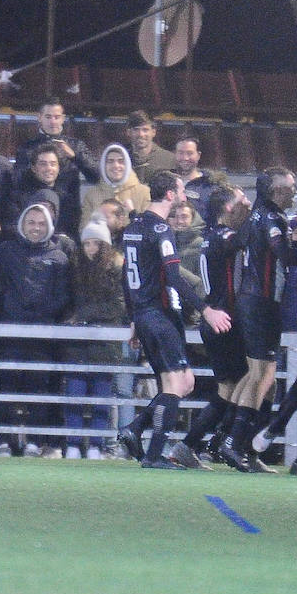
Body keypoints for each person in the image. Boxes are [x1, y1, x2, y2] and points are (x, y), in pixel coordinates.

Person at [115, 171, 232, 469]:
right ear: (170, 194)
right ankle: (154, 455)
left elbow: (127, 277)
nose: (183, 196)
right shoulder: (159, 229)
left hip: (144, 315)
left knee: (184, 382)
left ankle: (135, 429)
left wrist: (133, 319)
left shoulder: (134, 226)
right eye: (180, 190)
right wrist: (206, 310)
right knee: (173, 384)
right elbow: (174, 276)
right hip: (159, 314)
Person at [0, 199, 73, 457]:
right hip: (10, 331)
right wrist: (12, 307)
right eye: (31, 222)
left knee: (38, 388)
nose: (36, 227)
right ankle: (6, 441)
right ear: (22, 223)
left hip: (43, 335)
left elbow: (63, 296)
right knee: (8, 386)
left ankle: (34, 440)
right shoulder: (6, 250)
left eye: (41, 223)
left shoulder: (59, 257)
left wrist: (41, 313)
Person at [170, 186, 250, 470]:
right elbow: (242, 239)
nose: (246, 205)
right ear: (229, 208)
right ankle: (198, 444)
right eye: (241, 201)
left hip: (215, 317)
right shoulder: (224, 236)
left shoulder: (208, 237)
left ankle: (213, 443)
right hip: (223, 318)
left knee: (236, 385)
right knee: (238, 387)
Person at [220, 167, 295, 473]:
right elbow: (285, 255)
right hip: (262, 303)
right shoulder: (273, 218)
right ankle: (234, 443)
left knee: (268, 382)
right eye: (290, 187)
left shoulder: (253, 217)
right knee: (261, 376)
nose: (294, 192)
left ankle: (247, 449)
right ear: (276, 191)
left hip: (252, 301)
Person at [61, 217, 127, 461]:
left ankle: (97, 445)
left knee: (101, 396)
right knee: (75, 394)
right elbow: (67, 298)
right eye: (86, 243)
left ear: (105, 245)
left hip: (105, 342)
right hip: (78, 342)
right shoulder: (74, 267)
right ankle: (74, 443)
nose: (90, 248)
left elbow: (118, 306)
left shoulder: (116, 269)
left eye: (96, 243)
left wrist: (83, 315)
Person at [80, 144, 150, 229]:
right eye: (110, 161)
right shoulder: (92, 195)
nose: (116, 166)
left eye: (121, 161)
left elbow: (148, 229)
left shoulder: (144, 192)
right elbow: (85, 230)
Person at [125, 110, 176, 185]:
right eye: (136, 129)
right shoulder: (121, 160)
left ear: (153, 132)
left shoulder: (169, 159)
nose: (141, 134)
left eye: (145, 130)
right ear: (128, 132)